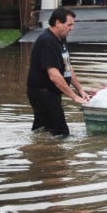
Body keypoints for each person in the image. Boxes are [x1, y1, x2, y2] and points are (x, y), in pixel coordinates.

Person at [26, 7, 90, 136]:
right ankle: (55, 155)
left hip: (50, 93)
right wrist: (74, 97)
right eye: (69, 24)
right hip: (43, 93)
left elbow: (67, 67)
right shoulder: (47, 41)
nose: (71, 28)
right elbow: (54, 75)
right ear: (57, 23)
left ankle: (37, 151)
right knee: (61, 133)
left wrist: (80, 90)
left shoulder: (61, 39)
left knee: (42, 130)